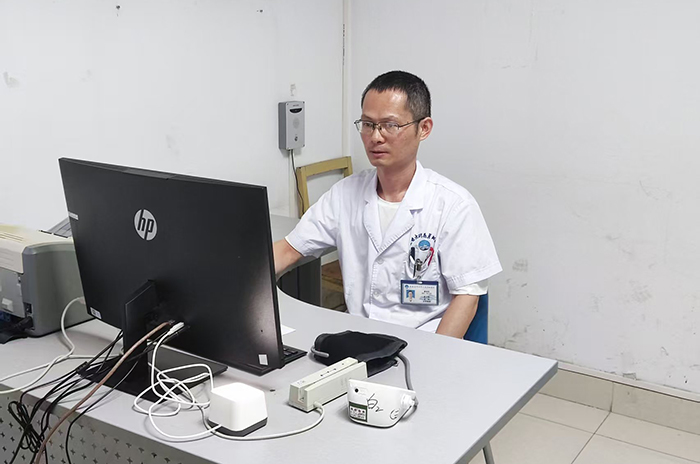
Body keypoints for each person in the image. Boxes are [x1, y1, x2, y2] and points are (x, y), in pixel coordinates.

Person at [274, 70, 501, 339]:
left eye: (390, 125)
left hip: (423, 344)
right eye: (368, 124)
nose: (376, 137)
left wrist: (435, 355)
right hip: (358, 341)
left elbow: (467, 296)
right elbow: (289, 249)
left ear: (424, 128)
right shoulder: (345, 194)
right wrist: (238, 275)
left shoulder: (453, 205)